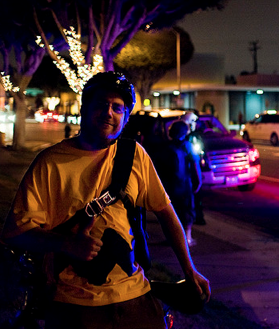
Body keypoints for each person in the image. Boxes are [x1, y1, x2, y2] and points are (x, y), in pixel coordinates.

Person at [0, 72, 210, 329]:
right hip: (74, 306)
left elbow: (166, 213)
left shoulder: (135, 155)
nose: (108, 112)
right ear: (84, 107)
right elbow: (14, 233)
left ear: (125, 117)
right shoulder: (50, 162)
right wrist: (65, 244)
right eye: (101, 104)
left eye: (117, 108)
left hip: (136, 298)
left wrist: (189, 271)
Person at [155, 119, 202, 246]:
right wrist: (198, 182)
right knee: (187, 211)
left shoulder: (165, 147)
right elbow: (194, 165)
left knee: (172, 212)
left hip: (169, 185)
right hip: (184, 184)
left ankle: (171, 238)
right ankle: (187, 238)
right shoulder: (187, 146)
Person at [181, 111, 206, 225]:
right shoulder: (184, 136)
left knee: (197, 194)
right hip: (186, 169)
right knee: (189, 195)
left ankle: (198, 216)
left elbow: (201, 148)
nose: (194, 125)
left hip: (194, 166)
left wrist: (202, 157)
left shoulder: (196, 135)